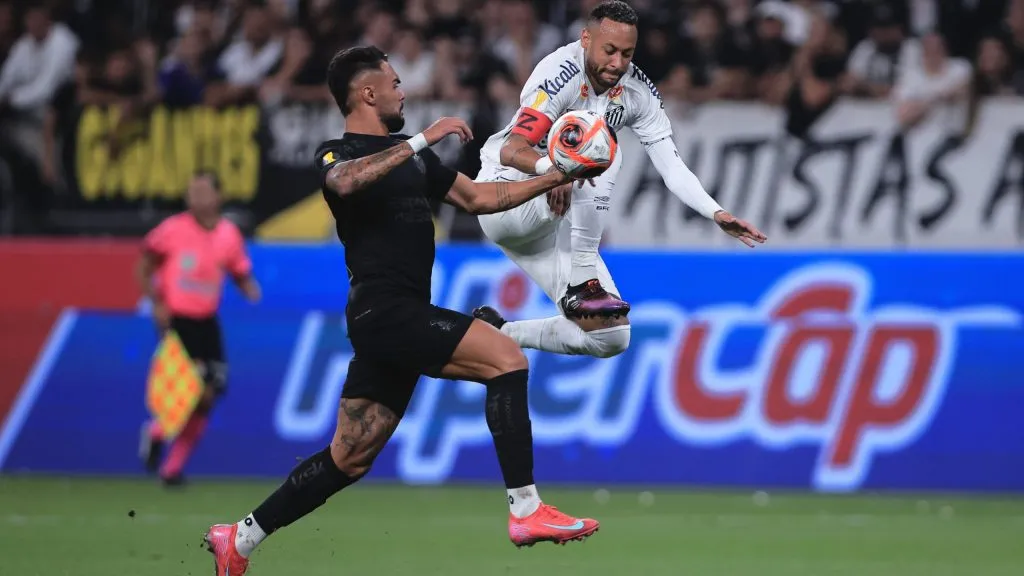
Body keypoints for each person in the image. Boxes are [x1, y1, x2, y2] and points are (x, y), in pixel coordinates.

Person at [204, 45, 596, 576]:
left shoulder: (413, 157)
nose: (402, 90)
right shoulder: (338, 152)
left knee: (350, 457)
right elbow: (343, 182)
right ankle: (526, 510)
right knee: (507, 359)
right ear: (367, 93)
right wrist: (421, 139)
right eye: (393, 82)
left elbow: (480, 199)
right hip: (383, 311)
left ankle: (239, 539)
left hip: (395, 318)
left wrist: (558, 175)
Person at [472, 0, 766, 359]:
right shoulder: (559, 71)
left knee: (611, 337)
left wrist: (714, 212)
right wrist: (553, 170)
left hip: (549, 225)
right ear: (586, 39)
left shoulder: (637, 91)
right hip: (504, 196)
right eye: (609, 50)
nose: (617, 63)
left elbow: (671, 165)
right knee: (600, 145)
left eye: (627, 54)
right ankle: (583, 279)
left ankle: (499, 333)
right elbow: (512, 148)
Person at [137, 171, 261, 486]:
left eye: (203, 191)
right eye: (192, 191)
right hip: (178, 320)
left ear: (219, 196)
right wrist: (157, 303)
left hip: (208, 321)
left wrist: (248, 288)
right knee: (190, 388)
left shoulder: (228, 234)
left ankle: (171, 468)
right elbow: (145, 265)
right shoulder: (172, 230)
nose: (196, 198)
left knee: (209, 396)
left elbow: (238, 270)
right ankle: (157, 432)